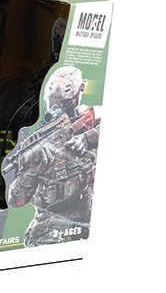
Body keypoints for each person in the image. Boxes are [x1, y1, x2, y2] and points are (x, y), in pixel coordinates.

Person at [6, 66, 100, 247]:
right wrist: (33, 170)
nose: (58, 108)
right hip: (53, 216)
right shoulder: (35, 143)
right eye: (53, 102)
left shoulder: (86, 118)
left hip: (87, 206)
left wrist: (87, 139)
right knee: (40, 242)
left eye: (64, 103)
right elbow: (15, 201)